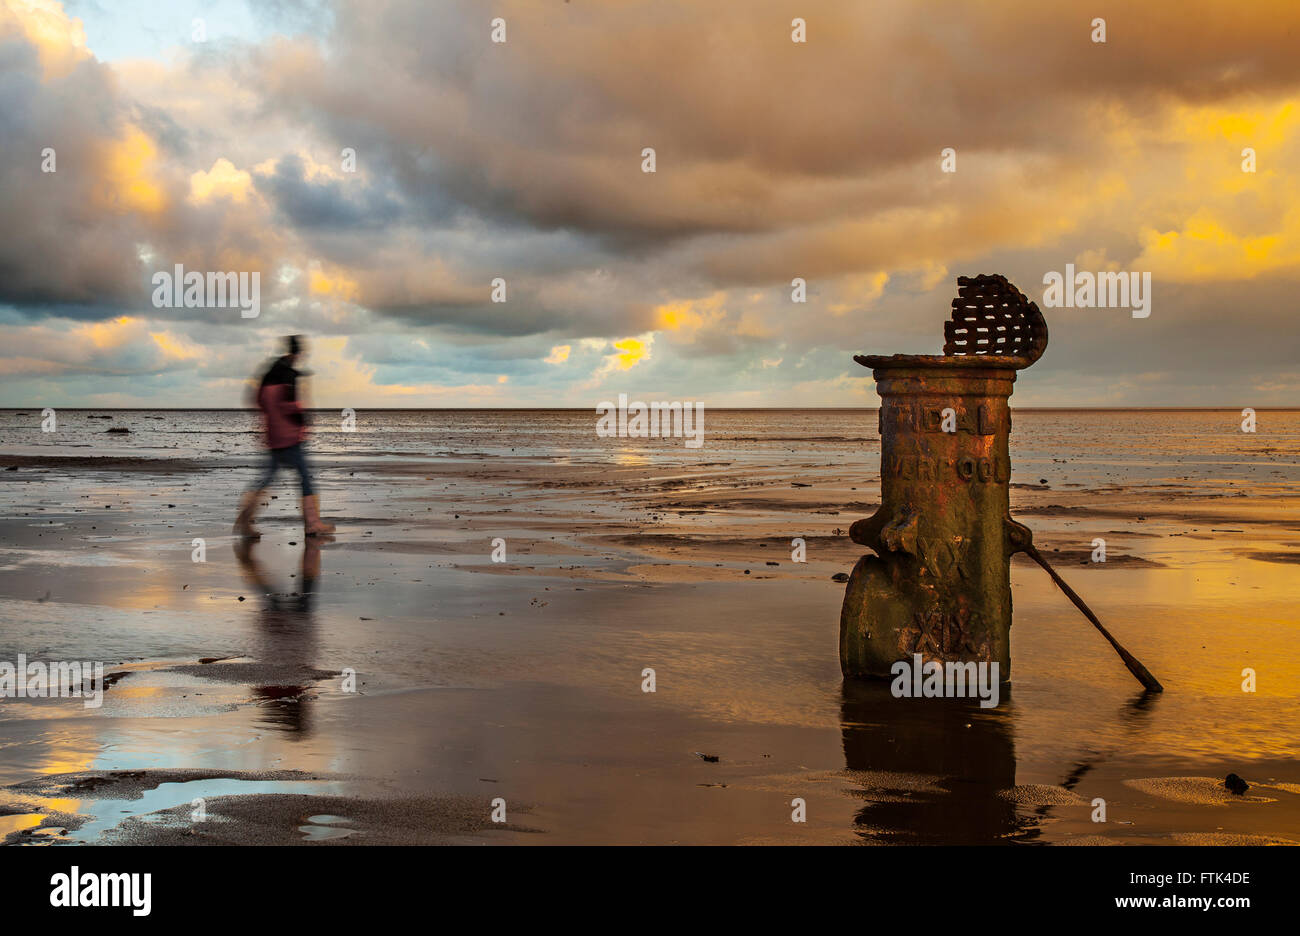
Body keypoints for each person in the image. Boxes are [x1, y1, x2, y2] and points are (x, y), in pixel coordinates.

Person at [234, 335, 335, 538]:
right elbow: (288, 405)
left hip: (273, 435)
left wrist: (271, 419)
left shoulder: (269, 371)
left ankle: (244, 519)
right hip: (289, 436)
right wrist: (303, 419)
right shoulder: (289, 376)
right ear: (297, 353)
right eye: (302, 353)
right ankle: (312, 524)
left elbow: (257, 401)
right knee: (305, 477)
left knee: (267, 478)